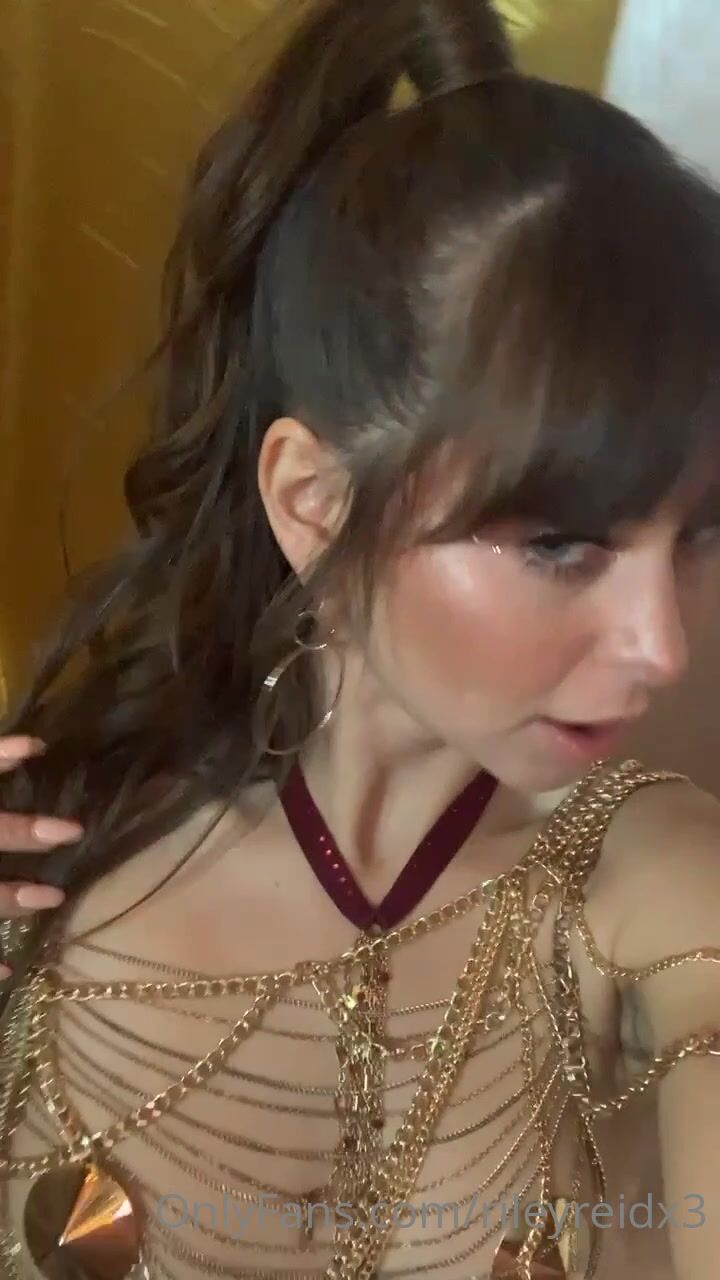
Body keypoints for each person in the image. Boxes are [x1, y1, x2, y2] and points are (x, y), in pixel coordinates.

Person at [0, 0, 719, 1276]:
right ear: (315, 503)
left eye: (706, 532)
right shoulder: (50, 863)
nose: (661, 642)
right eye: (562, 544)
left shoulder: (653, 886)